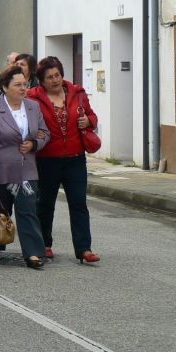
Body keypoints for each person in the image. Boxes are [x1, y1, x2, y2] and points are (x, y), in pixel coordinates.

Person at [27, 56, 100, 264]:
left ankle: (84, 249)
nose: (55, 80)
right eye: (49, 77)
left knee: (78, 203)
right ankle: (45, 244)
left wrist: (88, 121)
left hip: (75, 159)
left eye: (57, 75)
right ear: (41, 80)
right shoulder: (33, 98)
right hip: (47, 159)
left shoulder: (77, 93)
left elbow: (92, 117)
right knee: (45, 203)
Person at [0, 65, 50, 268]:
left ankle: (33, 253)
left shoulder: (33, 107)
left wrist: (35, 144)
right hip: (1, 170)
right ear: (5, 86)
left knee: (27, 210)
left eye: (25, 84)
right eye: (17, 85)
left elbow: (44, 132)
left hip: (27, 170)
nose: (23, 88)